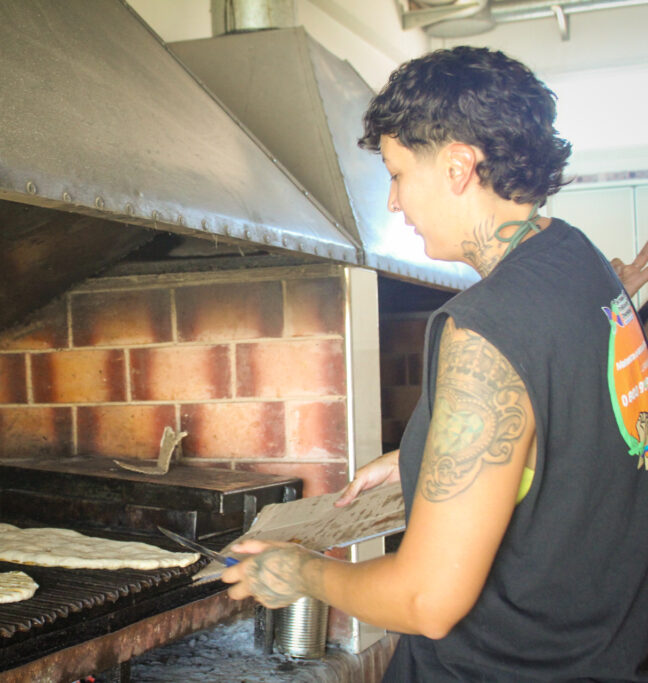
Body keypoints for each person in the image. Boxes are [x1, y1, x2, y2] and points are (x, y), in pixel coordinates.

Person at [221, 45, 648, 680]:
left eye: (396, 173)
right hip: (602, 651)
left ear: (456, 167)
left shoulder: (485, 327)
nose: (394, 202)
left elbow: (428, 600)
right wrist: (429, 450)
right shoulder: (578, 262)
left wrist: (295, 569)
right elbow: (572, 419)